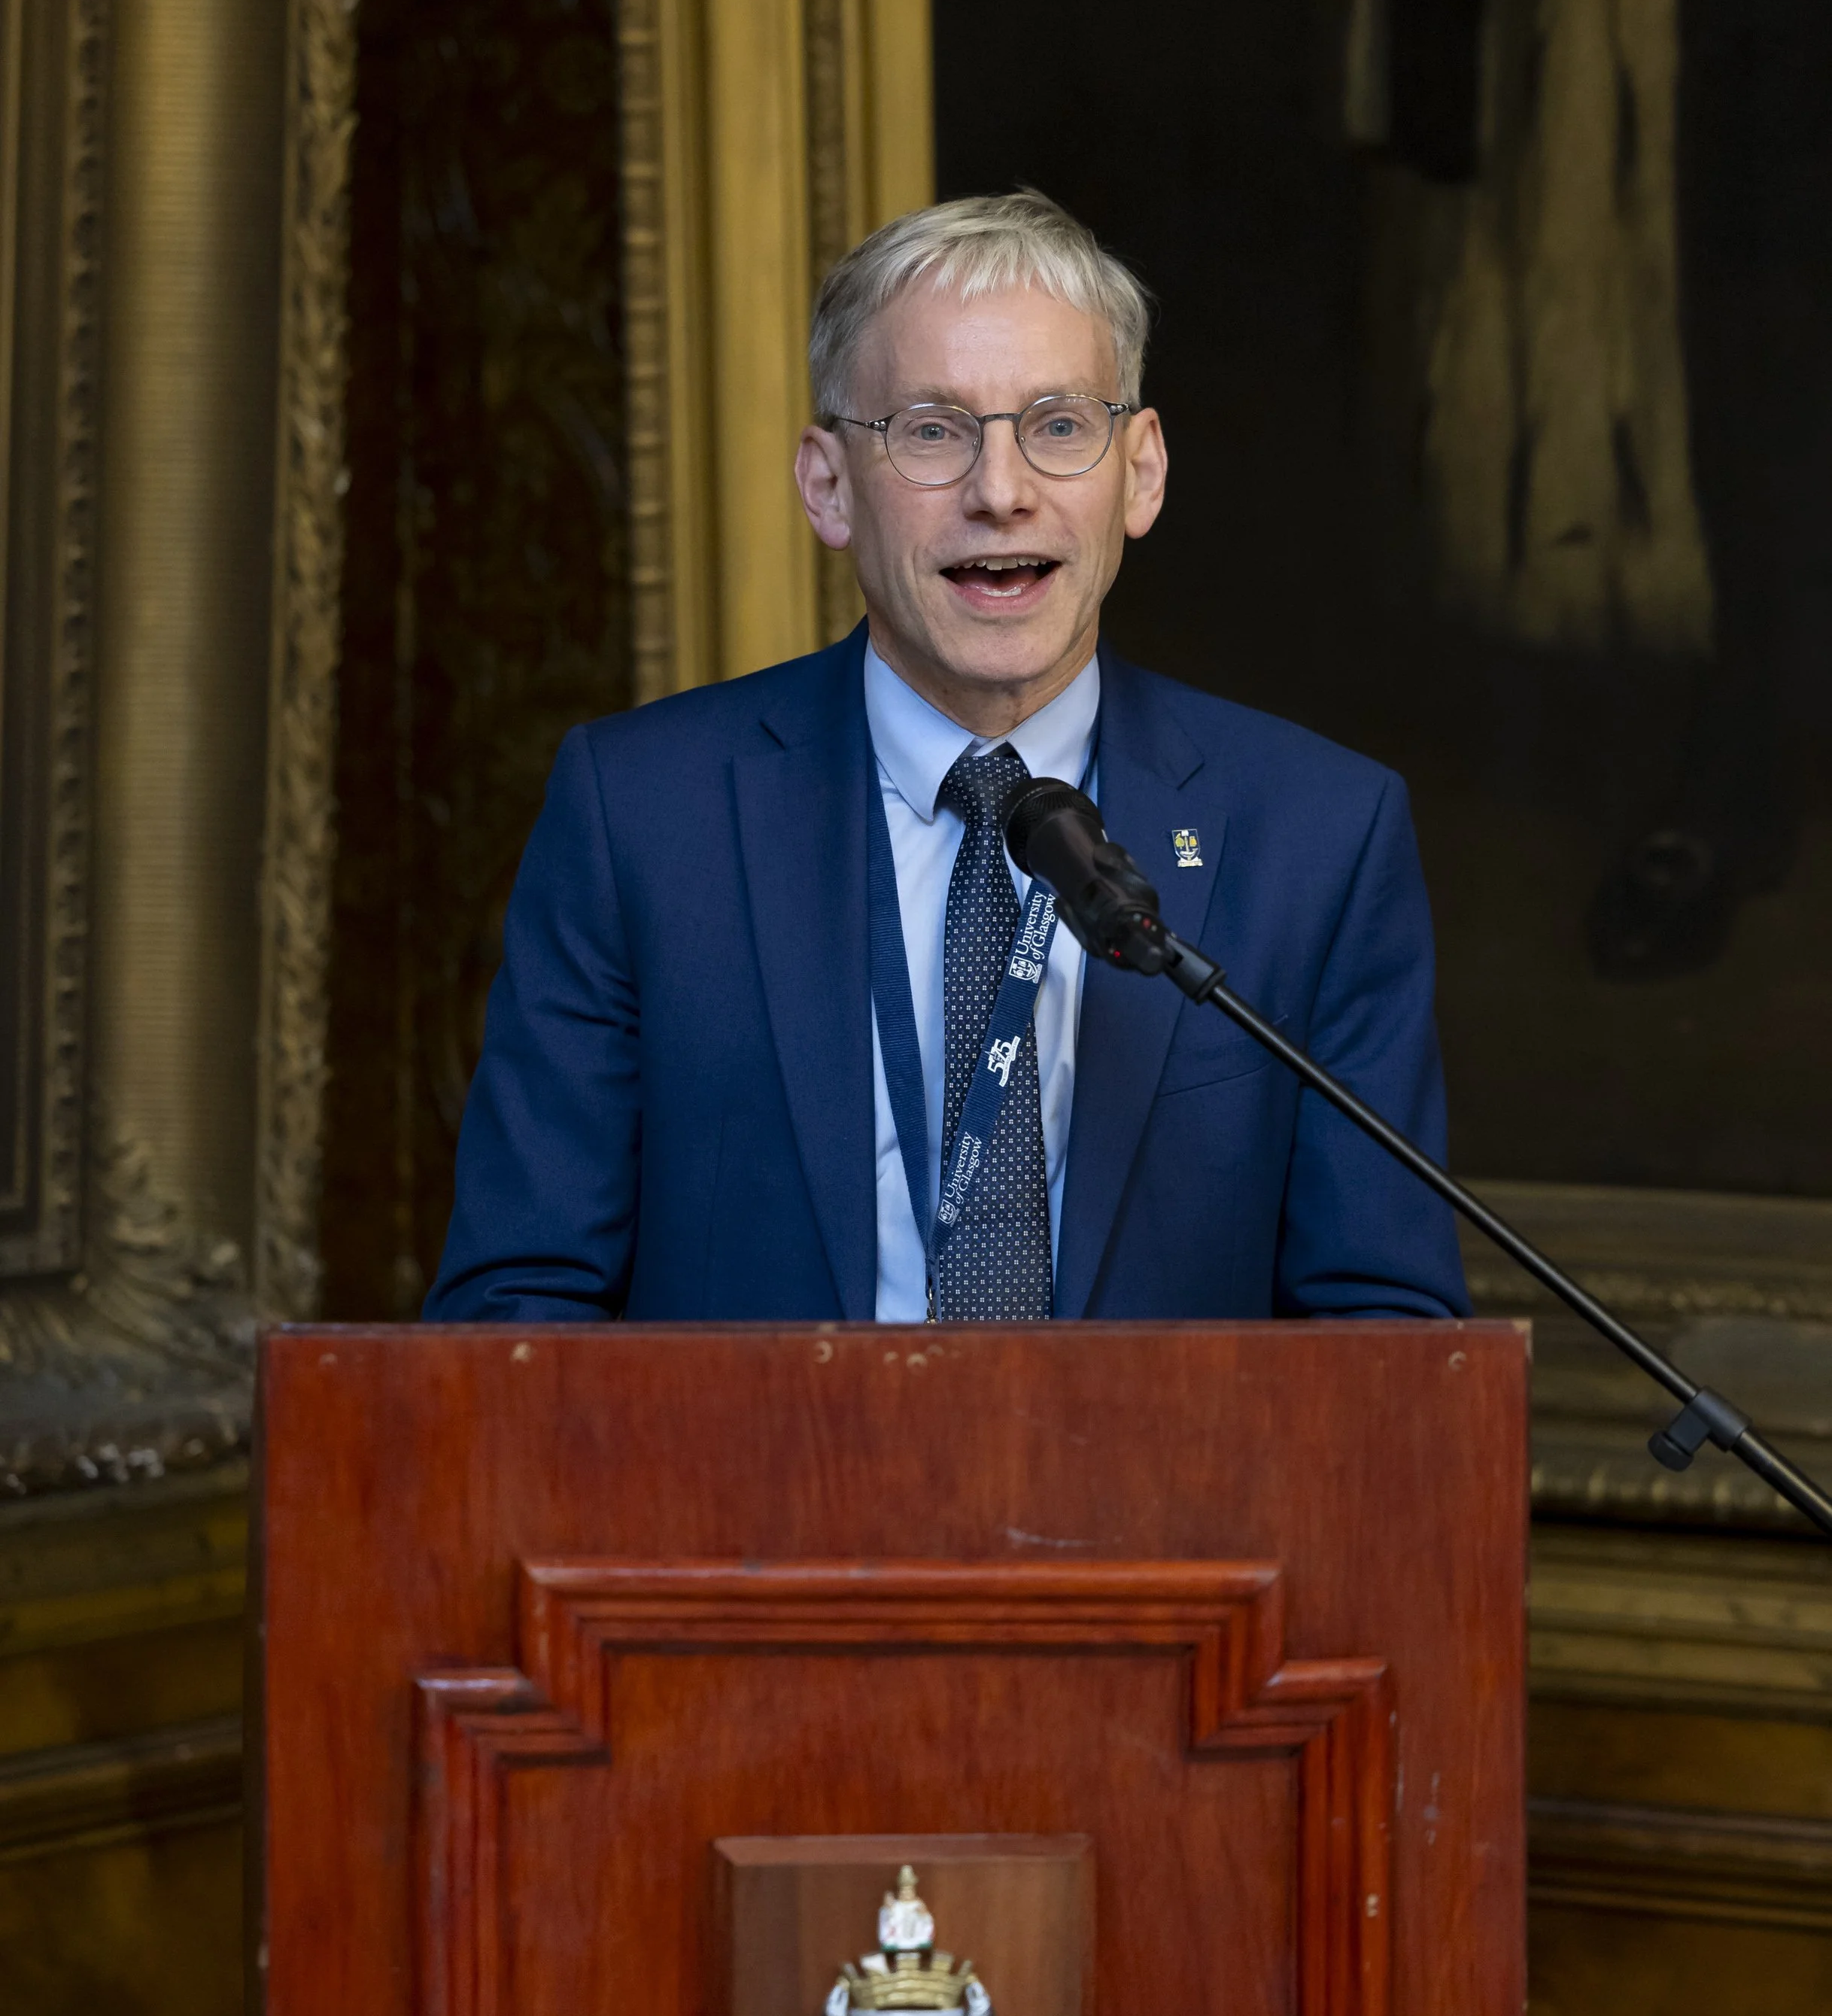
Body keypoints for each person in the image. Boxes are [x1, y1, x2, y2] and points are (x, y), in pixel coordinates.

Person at [426, 191, 1466, 1325]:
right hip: (760, 1500)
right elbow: (517, 1309)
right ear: (827, 486)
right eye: (931, 431)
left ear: (1142, 471)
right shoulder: (642, 815)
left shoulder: (1319, 834)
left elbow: (1386, 1339)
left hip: (1158, 1505)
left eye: (1059, 426)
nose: (999, 490)